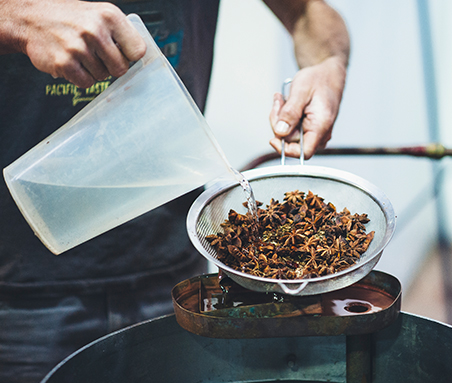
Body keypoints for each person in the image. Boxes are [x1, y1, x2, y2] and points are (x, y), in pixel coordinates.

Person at [0, 0, 350, 382]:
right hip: (20, 294)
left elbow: (307, 14)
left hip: (177, 279)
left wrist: (329, 62)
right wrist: (19, 19)